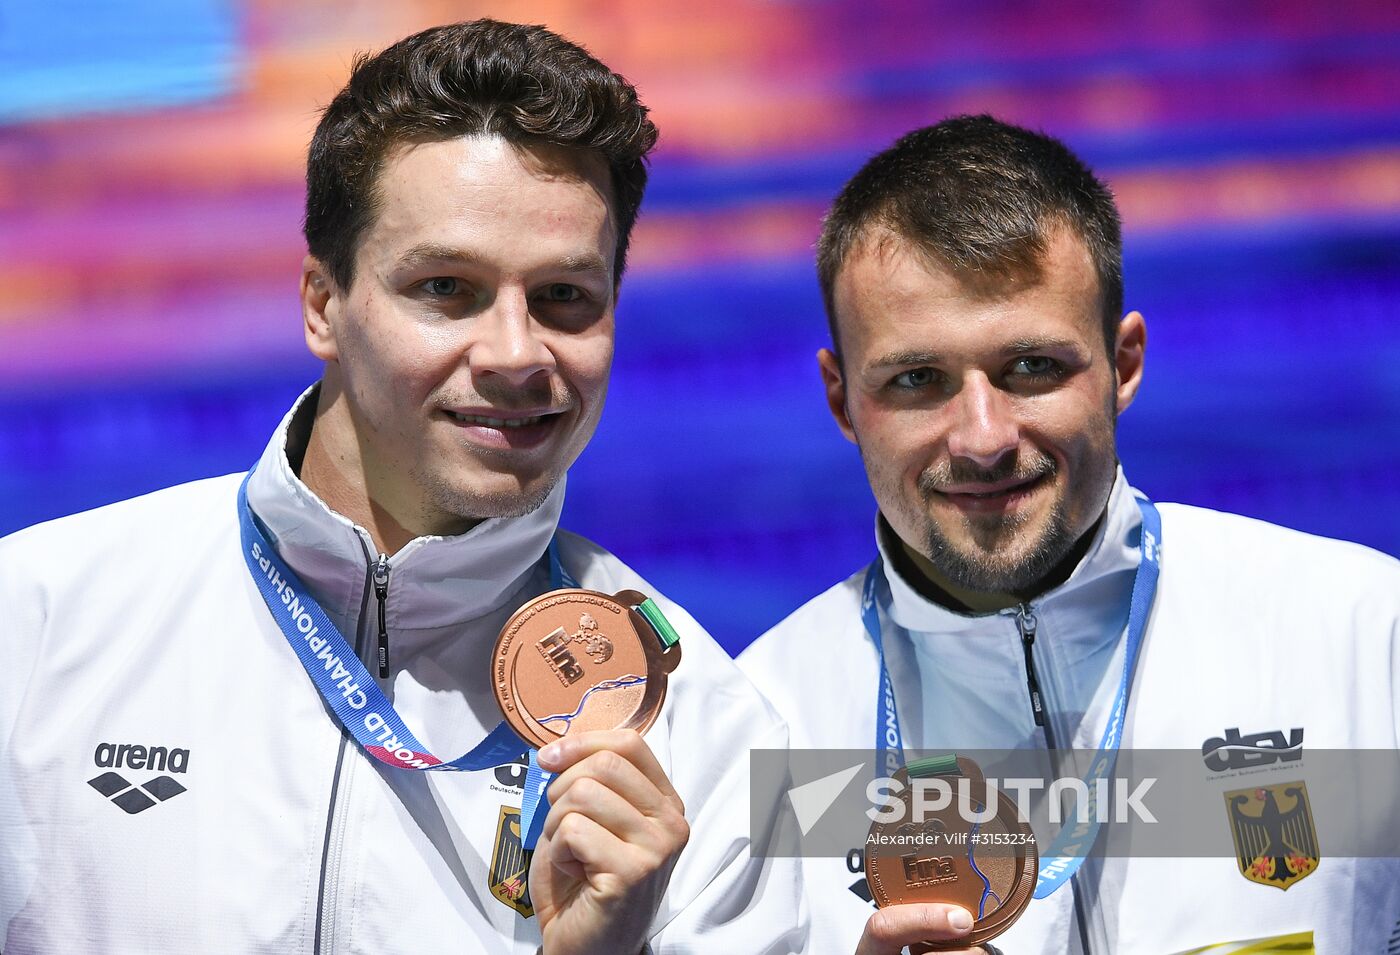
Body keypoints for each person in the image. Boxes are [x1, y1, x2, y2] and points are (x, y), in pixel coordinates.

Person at [0, 20, 805, 954]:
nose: (516, 354)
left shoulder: (707, 728)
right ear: (321, 303)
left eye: (564, 298)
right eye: (446, 288)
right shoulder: (41, 622)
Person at [739, 115, 1400, 954]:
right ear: (841, 401)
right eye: (917, 379)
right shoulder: (763, 734)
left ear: (1122, 364)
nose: (982, 437)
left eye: (1032, 368)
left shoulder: (1362, 636)